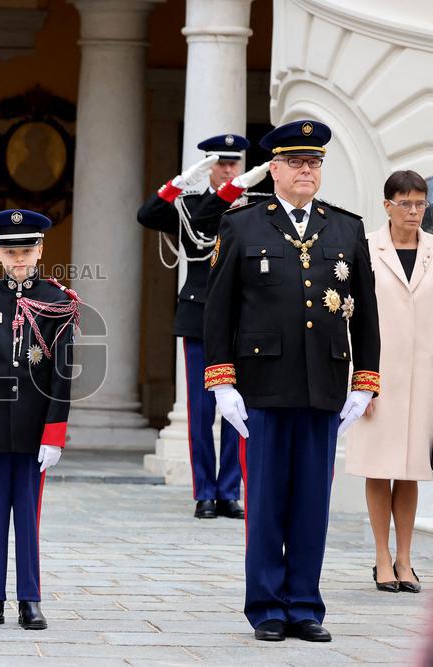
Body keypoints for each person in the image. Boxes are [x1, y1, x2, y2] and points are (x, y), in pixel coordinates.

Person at [204, 119, 380, 642]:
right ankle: (266, 607)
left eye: (315, 163)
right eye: (297, 162)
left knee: (311, 502)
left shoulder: (346, 228)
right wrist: (222, 382)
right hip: (262, 384)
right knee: (265, 501)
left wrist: (365, 380)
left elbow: (366, 312)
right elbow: (219, 311)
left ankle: (304, 604)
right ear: (274, 168)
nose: (307, 171)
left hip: (324, 383)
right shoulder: (243, 225)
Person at [137, 135, 270, 519]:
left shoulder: (254, 205)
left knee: (237, 408)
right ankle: (204, 491)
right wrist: (178, 183)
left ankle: (229, 490)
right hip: (200, 314)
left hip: (244, 318)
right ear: (209, 168)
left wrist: (240, 191)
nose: (229, 170)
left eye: (234, 164)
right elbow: (147, 216)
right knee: (200, 408)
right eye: (221, 164)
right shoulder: (190, 206)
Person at [0, 209, 81, 631]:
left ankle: (30, 599)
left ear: (41, 249)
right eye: (10, 251)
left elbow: (62, 374)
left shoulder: (58, 300)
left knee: (28, 516)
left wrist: (55, 434)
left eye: (26, 250)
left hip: (34, 427)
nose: (19, 259)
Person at [346, 170, 433, 594]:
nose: (415, 211)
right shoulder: (365, 251)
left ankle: (405, 559)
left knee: (412, 469)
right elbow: (353, 320)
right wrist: (362, 380)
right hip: (377, 373)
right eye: (407, 203)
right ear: (387, 205)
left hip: (424, 378)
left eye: (421, 203)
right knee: (379, 468)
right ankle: (381, 558)